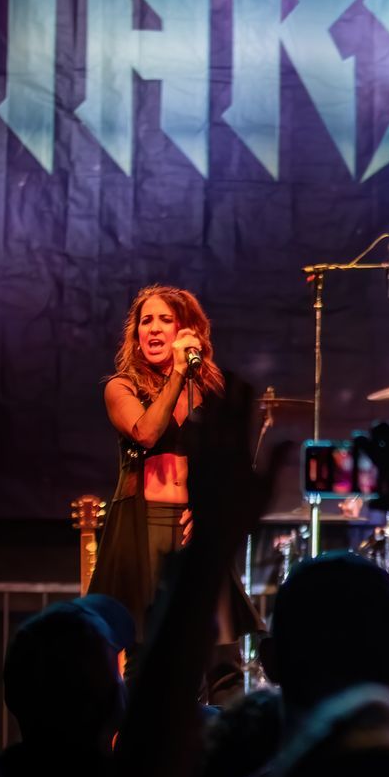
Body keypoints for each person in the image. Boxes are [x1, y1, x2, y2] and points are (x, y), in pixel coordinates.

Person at [91, 284, 260, 685]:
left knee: (223, 661)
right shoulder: (121, 387)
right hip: (143, 527)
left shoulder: (209, 390)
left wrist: (209, 513)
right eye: (145, 321)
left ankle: (222, 743)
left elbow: (229, 465)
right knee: (149, 656)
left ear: (188, 331)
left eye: (165, 320)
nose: (152, 329)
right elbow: (147, 433)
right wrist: (179, 373)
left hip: (195, 528)